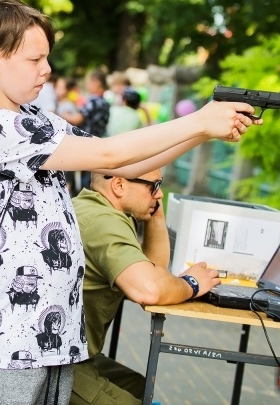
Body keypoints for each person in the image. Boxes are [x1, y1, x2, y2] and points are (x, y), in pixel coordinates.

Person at [0, 0, 258, 405]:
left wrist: (201, 131)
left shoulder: (30, 118)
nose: (47, 69)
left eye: (46, 58)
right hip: (7, 339)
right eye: (34, 60)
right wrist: (198, 120)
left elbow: (123, 164)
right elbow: (111, 156)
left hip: (44, 336)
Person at [69, 168, 219, 404]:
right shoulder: (103, 223)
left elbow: (154, 270)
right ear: (119, 185)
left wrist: (156, 216)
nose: (159, 195)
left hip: (71, 353)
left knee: (138, 385)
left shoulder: (96, 207)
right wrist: (191, 284)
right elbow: (148, 290)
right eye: (153, 186)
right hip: (51, 363)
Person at [60, 69, 110, 191]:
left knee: (83, 177)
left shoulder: (93, 100)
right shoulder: (105, 102)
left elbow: (77, 119)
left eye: (88, 82)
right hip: (98, 141)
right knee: (91, 176)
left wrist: (63, 114)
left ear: (97, 83)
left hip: (87, 142)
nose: (87, 86)